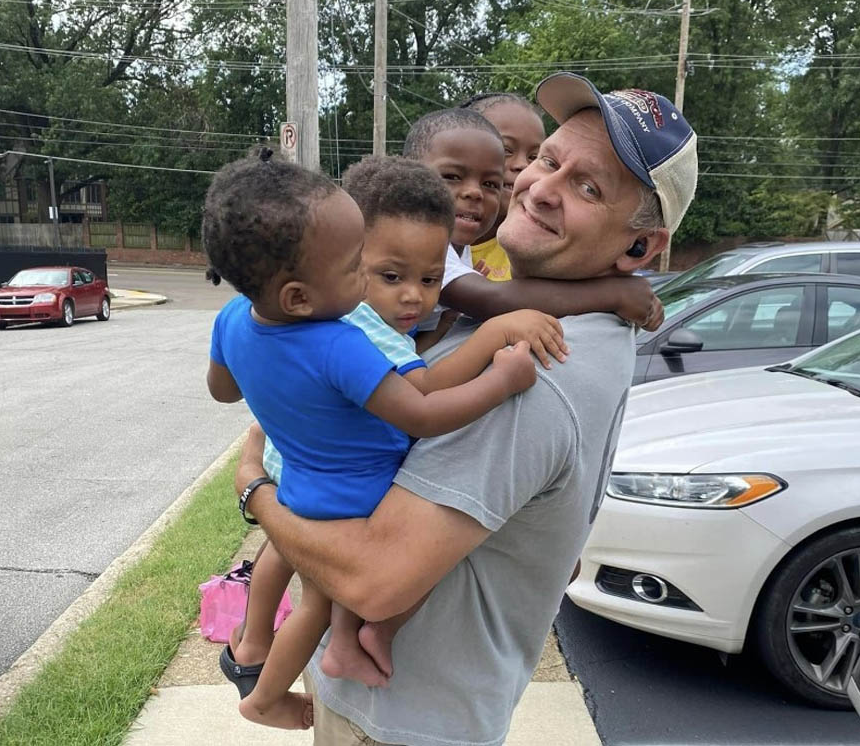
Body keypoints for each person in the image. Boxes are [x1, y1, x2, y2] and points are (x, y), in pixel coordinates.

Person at [234, 73, 699, 746]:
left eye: (587, 187)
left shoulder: (538, 366)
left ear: (638, 249)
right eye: (546, 161)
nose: (540, 187)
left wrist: (254, 487)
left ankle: (256, 656)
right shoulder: (527, 310)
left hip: (394, 724)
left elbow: (371, 580)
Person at [205, 152, 565, 729]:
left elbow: (224, 389)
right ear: (299, 295)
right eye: (353, 268)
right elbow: (420, 414)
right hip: (357, 496)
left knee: (321, 599)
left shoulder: (232, 317)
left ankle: (314, 660)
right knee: (365, 586)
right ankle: (265, 698)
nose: (363, 277)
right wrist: (502, 380)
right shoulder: (339, 344)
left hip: (300, 482)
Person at [404, 106, 665, 333]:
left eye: (490, 184)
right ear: (408, 175)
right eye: (451, 177)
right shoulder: (420, 244)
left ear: (639, 244)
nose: (474, 193)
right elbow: (492, 300)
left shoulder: (453, 250)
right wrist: (613, 294)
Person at [460, 92, 546, 282]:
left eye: (534, 157)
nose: (523, 165)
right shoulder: (430, 235)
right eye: (505, 150)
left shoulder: (533, 247)